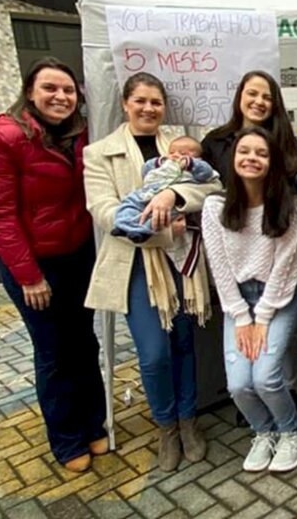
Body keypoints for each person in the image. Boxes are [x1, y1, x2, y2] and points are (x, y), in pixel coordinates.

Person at [84, 73, 222, 472]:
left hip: (182, 264)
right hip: (137, 264)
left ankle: (187, 420)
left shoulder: (180, 148)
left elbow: (212, 188)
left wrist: (172, 194)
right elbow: (104, 211)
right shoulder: (99, 153)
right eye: (140, 101)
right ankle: (165, 427)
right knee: (154, 354)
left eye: (155, 102)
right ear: (126, 104)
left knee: (184, 345)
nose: (148, 109)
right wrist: (157, 228)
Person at [0, 58, 108, 473]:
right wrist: (28, 275)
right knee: (53, 352)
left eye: (68, 90)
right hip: (35, 265)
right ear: (30, 93)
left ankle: (93, 423)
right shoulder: (3, 138)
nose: (60, 97)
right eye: (50, 88)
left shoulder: (81, 136)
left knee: (85, 343)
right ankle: (67, 439)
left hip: (78, 255)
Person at [201, 129, 297, 473]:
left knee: (265, 378)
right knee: (238, 385)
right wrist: (242, 318)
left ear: (272, 161)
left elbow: (285, 267)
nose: (251, 158)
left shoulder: (290, 206)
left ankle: (291, 432)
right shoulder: (215, 206)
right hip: (237, 302)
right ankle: (264, 432)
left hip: (278, 298)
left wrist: (262, 317)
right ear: (233, 160)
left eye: (260, 153)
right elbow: (218, 267)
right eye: (244, 151)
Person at [110, 136, 217, 278]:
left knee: (159, 215)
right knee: (129, 202)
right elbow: (146, 171)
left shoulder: (196, 166)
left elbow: (210, 180)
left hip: (173, 207)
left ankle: (142, 231)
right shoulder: (165, 163)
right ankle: (124, 224)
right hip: (148, 193)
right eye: (172, 152)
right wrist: (160, 161)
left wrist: (174, 192)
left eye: (184, 153)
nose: (176, 155)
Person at [202, 70, 297, 183]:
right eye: (252, 93)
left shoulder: (290, 148)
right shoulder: (214, 142)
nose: (259, 101)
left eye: (267, 98)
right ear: (240, 96)